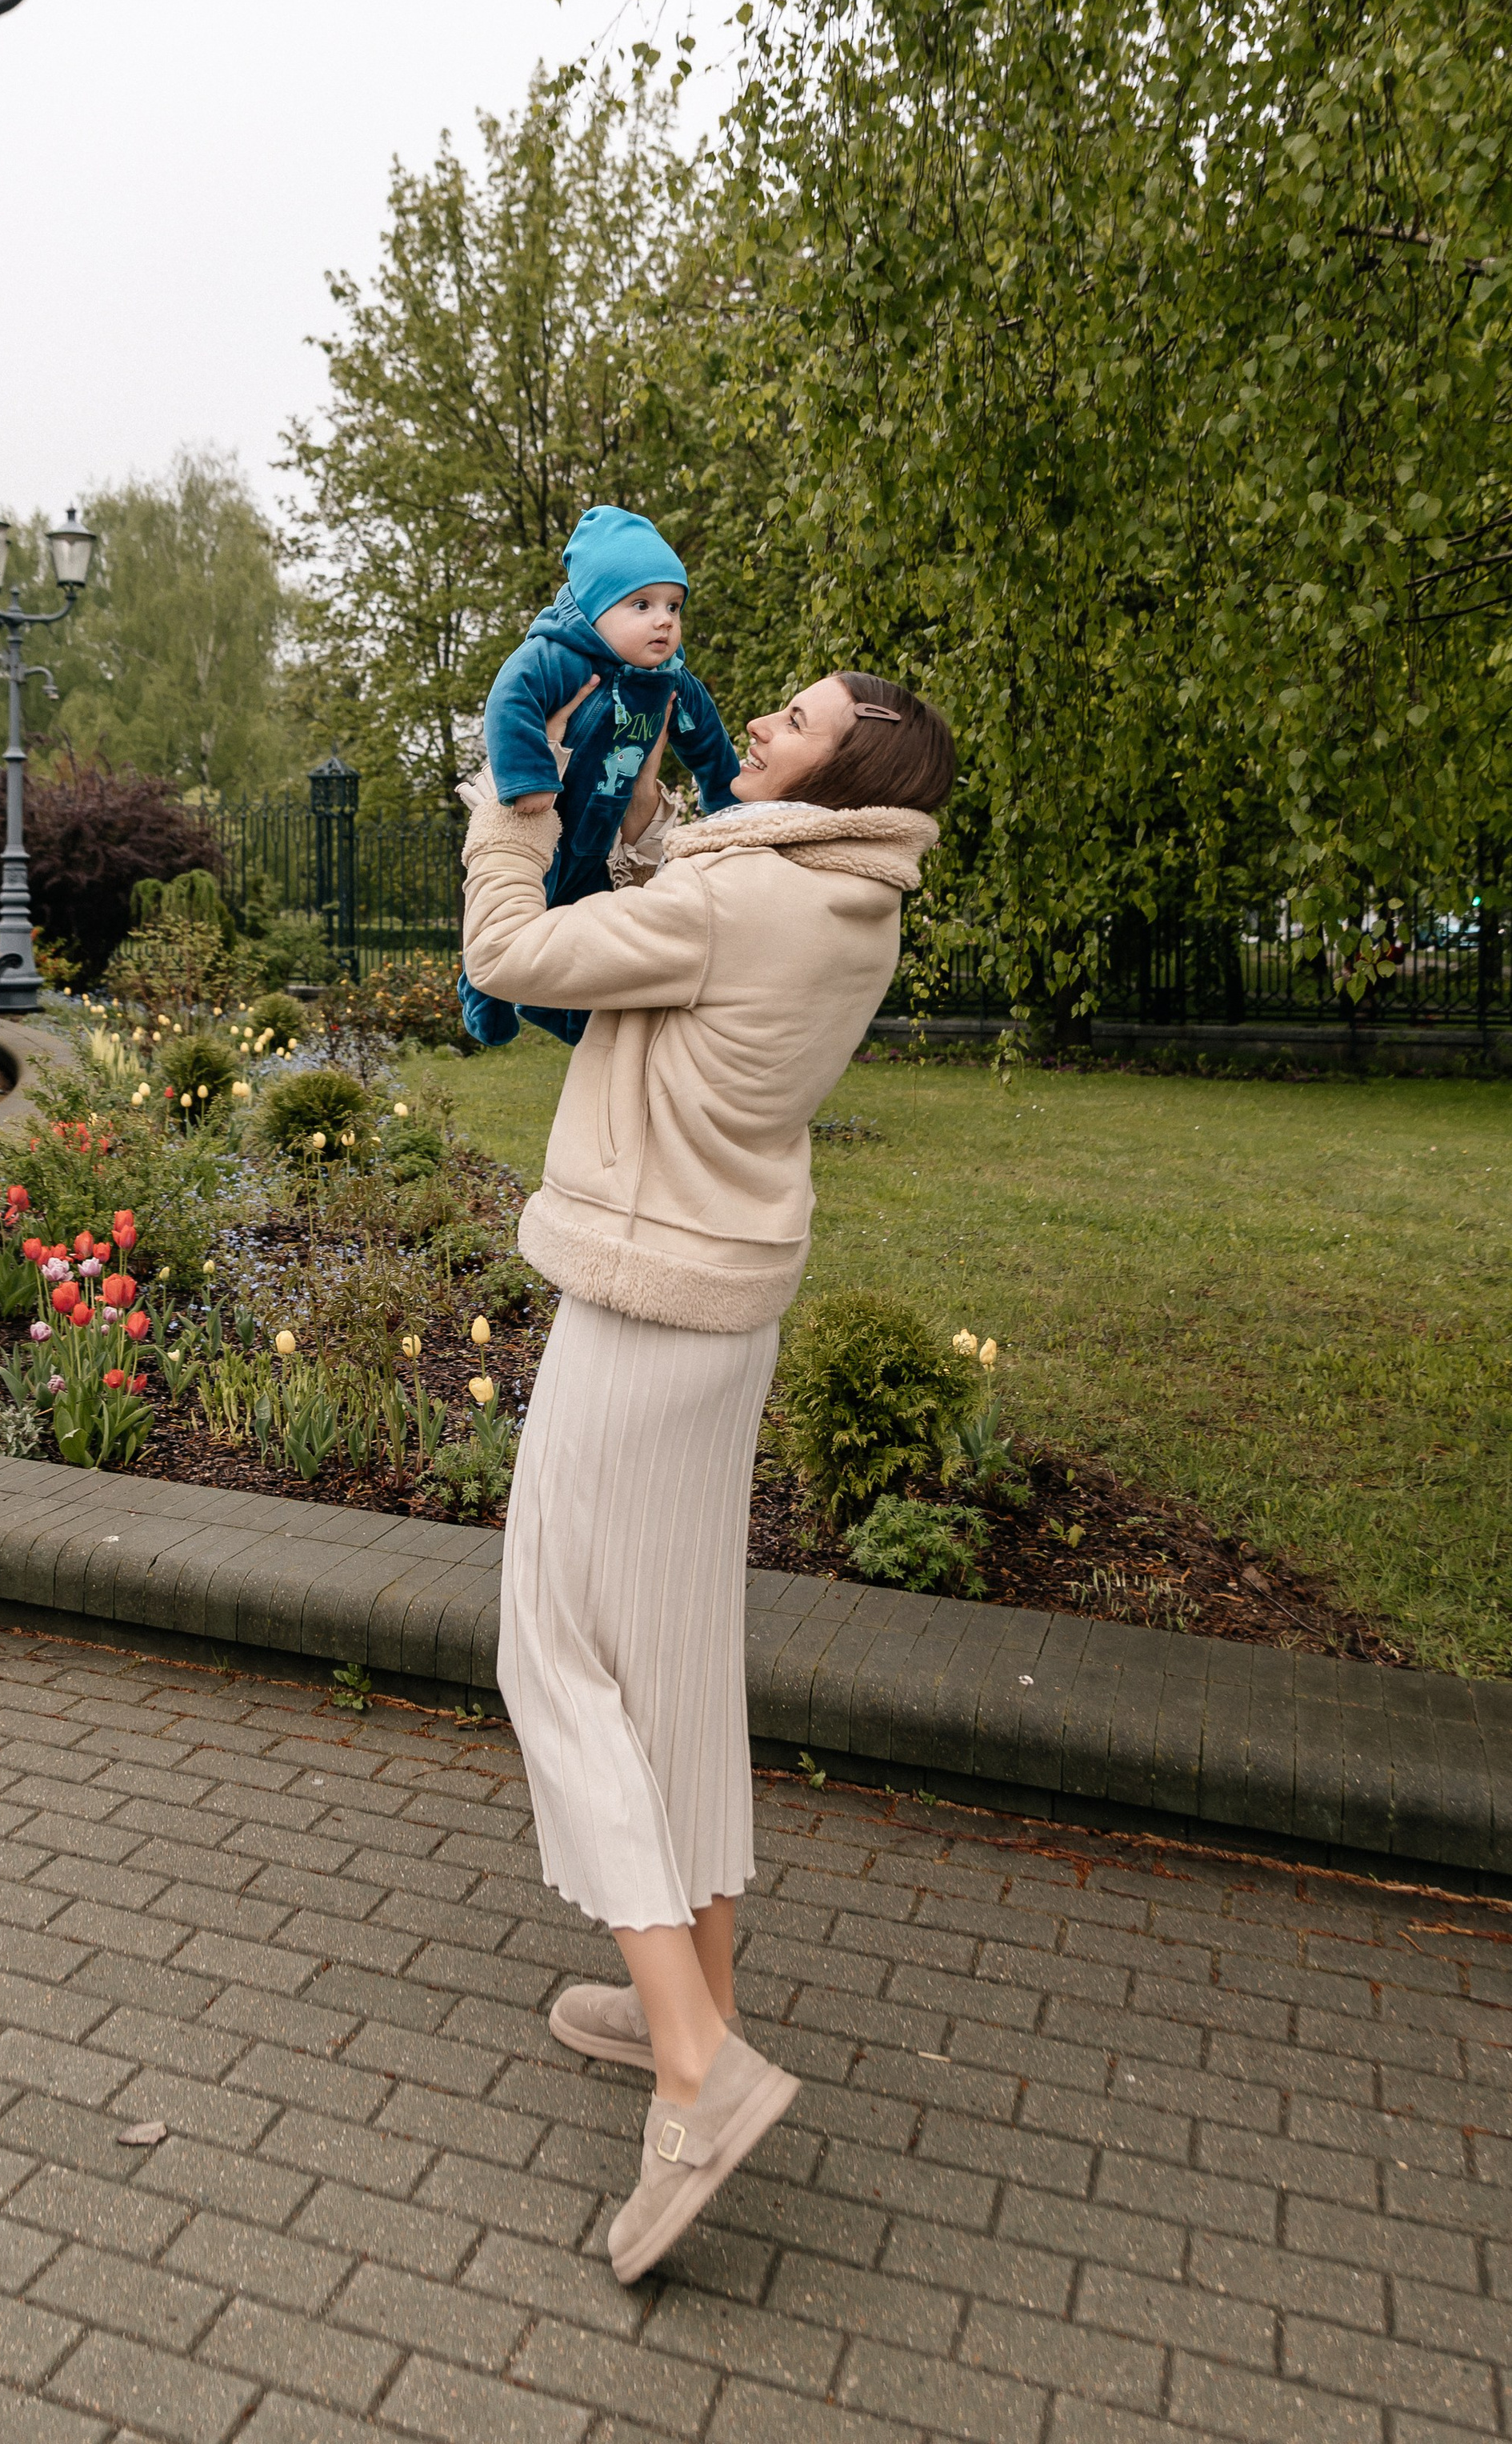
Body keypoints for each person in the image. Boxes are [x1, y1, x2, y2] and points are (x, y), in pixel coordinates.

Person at [461, 664, 956, 2281]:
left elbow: (509, 953)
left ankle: (695, 2063)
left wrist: (513, 806)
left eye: (795, 724)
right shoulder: (847, 902)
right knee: (674, 1670)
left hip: (637, 1310)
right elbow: (688, 925)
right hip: (724, 1313)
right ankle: (702, 1996)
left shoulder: (736, 904)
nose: (765, 727)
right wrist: (655, 824)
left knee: (552, 1654)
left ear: (840, 779)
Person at [458, 505, 739, 1050]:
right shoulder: (558, 657)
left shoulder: (671, 681)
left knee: (583, 938)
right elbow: (510, 701)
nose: (664, 620)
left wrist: (729, 807)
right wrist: (530, 776)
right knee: (513, 920)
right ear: (593, 610)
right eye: (641, 605)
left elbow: (709, 745)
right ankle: (483, 998)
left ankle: (572, 1023)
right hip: (544, 829)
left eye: (674, 606)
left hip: (600, 841)